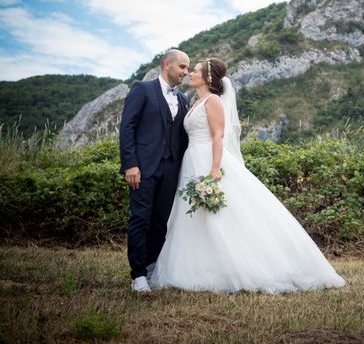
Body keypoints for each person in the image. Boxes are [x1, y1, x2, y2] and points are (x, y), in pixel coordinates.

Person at [151, 58, 345, 293]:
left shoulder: (212, 101)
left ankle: (241, 267)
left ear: (208, 78)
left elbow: (218, 136)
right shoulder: (196, 101)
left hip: (207, 160)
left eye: (195, 70)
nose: (190, 73)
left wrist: (214, 169)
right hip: (191, 160)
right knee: (196, 215)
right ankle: (201, 266)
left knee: (220, 215)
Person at [119, 49, 190, 293]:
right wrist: (130, 163)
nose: (186, 72)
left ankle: (150, 268)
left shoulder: (183, 99)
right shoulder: (142, 89)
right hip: (143, 167)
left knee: (161, 221)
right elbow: (127, 127)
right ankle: (137, 274)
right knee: (140, 217)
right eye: (182, 67)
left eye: (188, 68)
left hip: (171, 169)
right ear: (167, 64)